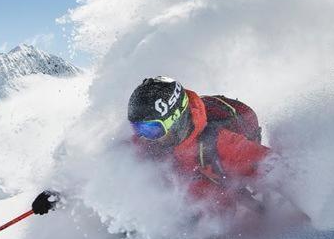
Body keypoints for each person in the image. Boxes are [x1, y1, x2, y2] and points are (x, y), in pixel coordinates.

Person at [31, 76, 270, 218]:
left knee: (178, 212)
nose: (144, 137)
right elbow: (108, 170)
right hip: (181, 189)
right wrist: (60, 194)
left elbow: (278, 169)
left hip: (213, 205)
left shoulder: (219, 144)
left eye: (151, 129)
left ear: (175, 120)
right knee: (134, 190)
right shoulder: (153, 141)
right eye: (138, 129)